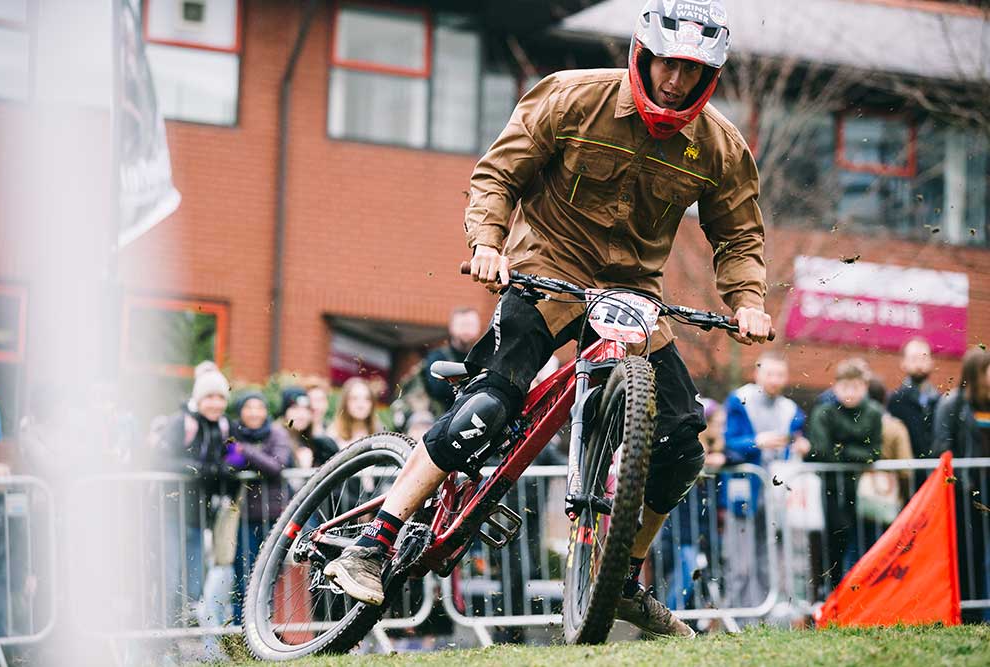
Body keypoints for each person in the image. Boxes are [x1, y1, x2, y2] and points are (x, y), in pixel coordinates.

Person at [324, 1, 771, 639]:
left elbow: (740, 236)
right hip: (546, 272)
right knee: (490, 408)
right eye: (667, 64)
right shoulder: (570, 97)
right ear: (643, 55)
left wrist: (747, 301)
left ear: (710, 78)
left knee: (680, 444)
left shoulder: (719, 145)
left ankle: (621, 579)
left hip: (634, 294)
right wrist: (486, 242)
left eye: (691, 72)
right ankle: (374, 537)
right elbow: (498, 174)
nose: (675, 81)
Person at [721, 352, 809, 613]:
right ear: (758, 374)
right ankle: (739, 614)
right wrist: (756, 442)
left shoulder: (791, 410)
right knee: (740, 561)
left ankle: (763, 613)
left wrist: (800, 446)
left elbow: (796, 441)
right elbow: (729, 444)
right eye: (769, 373)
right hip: (745, 490)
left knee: (767, 556)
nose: (774, 380)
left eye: (780, 374)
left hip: (774, 494)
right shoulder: (739, 400)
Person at [154, 362, 233, 624]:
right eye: (210, 397)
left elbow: (231, 458)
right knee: (169, 578)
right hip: (169, 513)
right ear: (199, 398)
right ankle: (162, 638)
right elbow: (160, 460)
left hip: (199, 515)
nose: (216, 403)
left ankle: (175, 633)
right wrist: (199, 469)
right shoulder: (181, 423)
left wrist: (227, 470)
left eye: (221, 397)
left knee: (193, 584)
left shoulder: (222, 426)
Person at [806, 358, 883, 593]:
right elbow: (822, 451)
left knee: (866, 543)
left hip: (864, 491)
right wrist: (853, 453)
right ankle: (830, 595)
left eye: (856, 386)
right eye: (845, 386)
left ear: (865, 387)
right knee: (832, 544)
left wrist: (843, 449)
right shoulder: (824, 411)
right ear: (836, 386)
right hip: (832, 489)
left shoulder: (873, 413)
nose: (850, 392)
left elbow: (875, 452)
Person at [932, 347, 990, 623]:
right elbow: (941, 448)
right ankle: (972, 615)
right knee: (970, 556)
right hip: (967, 496)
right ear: (976, 372)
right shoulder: (952, 405)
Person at [227, 391, 293, 623]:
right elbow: (231, 466)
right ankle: (240, 630)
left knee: (269, 577)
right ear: (240, 412)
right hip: (246, 517)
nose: (254, 412)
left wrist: (247, 451)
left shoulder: (277, 434)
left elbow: (276, 466)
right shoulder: (233, 434)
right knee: (243, 576)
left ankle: (265, 629)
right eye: (248, 407)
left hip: (273, 517)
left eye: (259, 407)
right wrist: (242, 455)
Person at [421, 307, 483, 415]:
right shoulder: (438, 357)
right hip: (444, 416)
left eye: (471, 325)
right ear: (451, 327)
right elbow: (438, 389)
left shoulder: (485, 357)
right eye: (463, 325)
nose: (467, 330)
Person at [887, 338, 940, 459]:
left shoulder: (940, 401)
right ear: (903, 363)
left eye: (923, 358)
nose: (919, 365)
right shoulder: (895, 401)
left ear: (931, 362)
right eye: (914, 359)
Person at [278, 386, 338, 469]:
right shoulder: (276, 440)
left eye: (306, 408)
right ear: (285, 413)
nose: (301, 414)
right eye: (295, 408)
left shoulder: (317, 443)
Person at [326, 377, 382, 450]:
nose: (361, 405)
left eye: (367, 399)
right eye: (354, 398)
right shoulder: (333, 434)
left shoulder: (380, 433)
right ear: (345, 403)